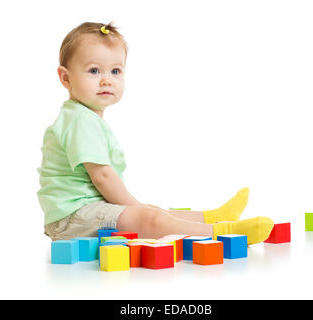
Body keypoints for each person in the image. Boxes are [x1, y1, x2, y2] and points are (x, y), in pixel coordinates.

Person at [37, 22, 274, 244]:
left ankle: (213, 216)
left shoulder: (83, 117)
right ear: (66, 78)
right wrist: (139, 209)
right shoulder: (79, 119)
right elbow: (103, 177)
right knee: (148, 217)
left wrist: (141, 208)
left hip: (85, 210)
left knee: (153, 212)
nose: (107, 80)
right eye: (94, 71)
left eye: (116, 71)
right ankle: (224, 233)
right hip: (71, 217)